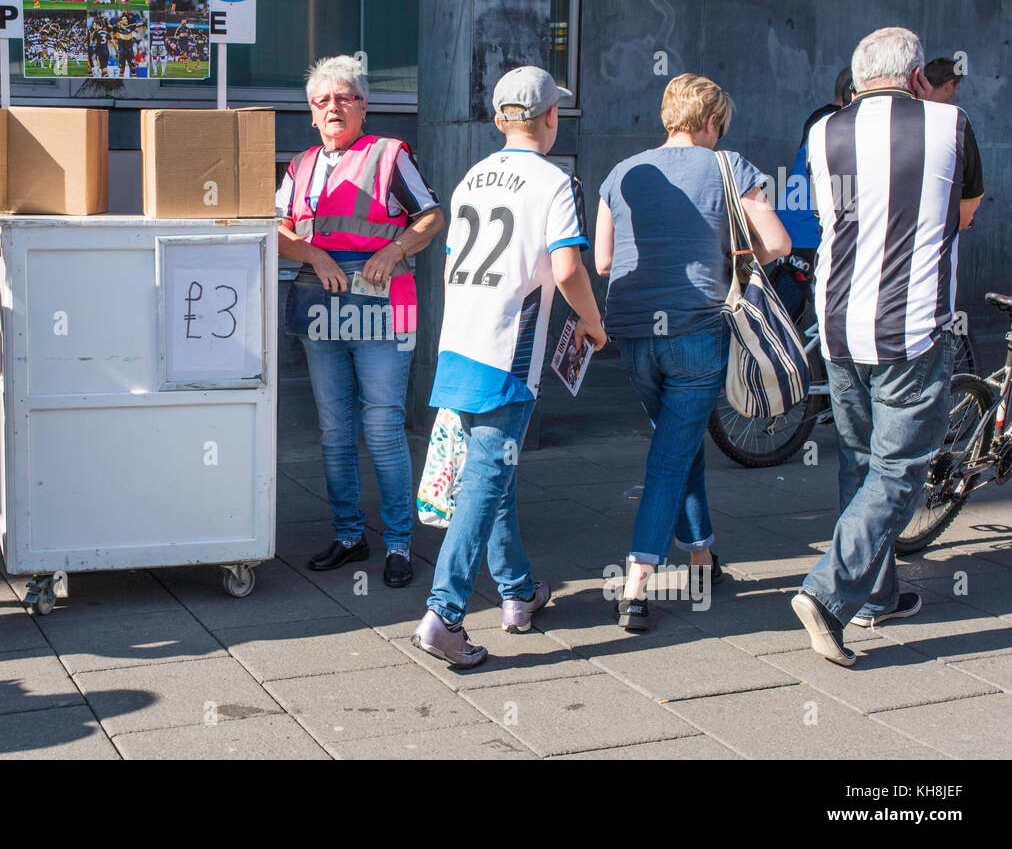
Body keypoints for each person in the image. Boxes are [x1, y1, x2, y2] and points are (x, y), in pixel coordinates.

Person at [791, 27, 983, 665]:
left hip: (840, 322)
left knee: (858, 458)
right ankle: (829, 592)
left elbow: (835, 214)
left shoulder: (824, 132)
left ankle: (877, 596)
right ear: (916, 77)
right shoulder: (950, 124)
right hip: (912, 325)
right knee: (899, 471)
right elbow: (965, 213)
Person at [411, 66, 606, 668]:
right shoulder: (555, 181)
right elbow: (569, 268)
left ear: (500, 120)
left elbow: (447, 271)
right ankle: (444, 615)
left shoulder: (471, 178)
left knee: (495, 472)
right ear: (552, 118)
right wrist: (594, 324)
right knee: (487, 478)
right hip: (507, 349)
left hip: (459, 341)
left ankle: (518, 593)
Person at [594, 74, 790, 632]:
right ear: (711, 122)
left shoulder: (621, 172)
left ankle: (702, 556)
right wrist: (729, 250)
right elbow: (777, 243)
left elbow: (604, 262)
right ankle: (635, 586)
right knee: (669, 457)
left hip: (632, 332)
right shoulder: (728, 166)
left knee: (678, 442)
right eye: (720, 125)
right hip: (698, 330)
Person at [278, 54, 444, 588]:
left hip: (380, 303)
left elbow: (431, 216)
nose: (333, 107)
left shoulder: (389, 155)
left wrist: (396, 250)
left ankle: (397, 543)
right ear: (310, 112)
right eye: (322, 100)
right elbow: (276, 230)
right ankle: (349, 535)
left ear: (364, 105)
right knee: (334, 429)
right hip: (322, 302)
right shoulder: (299, 165)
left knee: (382, 425)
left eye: (344, 97)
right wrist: (313, 255)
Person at [772, 65, 853, 320]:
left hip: (787, 228)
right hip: (812, 234)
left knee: (782, 321)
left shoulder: (817, 120)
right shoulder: (842, 126)